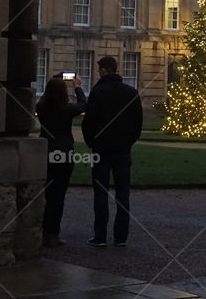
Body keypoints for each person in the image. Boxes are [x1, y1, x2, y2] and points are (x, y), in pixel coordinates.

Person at [82, 56, 143, 247]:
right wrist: (128, 142)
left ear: (103, 70)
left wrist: (92, 142)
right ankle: (120, 237)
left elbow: (88, 123)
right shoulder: (131, 92)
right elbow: (137, 124)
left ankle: (100, 236)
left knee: (100, 193)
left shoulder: (98, 92)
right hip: (123, 150)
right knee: (123, 194)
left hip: (102, 150)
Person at [35, 74, 86, 247]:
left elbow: (44, 99)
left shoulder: (41, 106)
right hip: (63, 151)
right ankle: (52, 234)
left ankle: (42, 232)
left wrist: (54, 80)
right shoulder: (66, 109)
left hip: (46, 150)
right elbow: (83, 105)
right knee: (58, 195)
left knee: (46, 193)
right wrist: (77, 87)